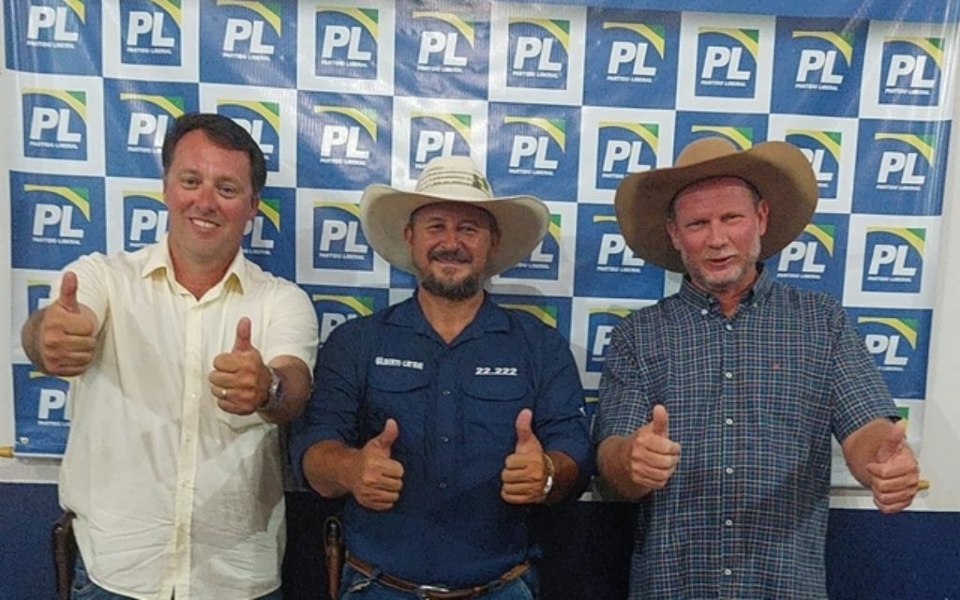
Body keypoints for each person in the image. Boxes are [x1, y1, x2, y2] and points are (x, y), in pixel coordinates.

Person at [594, 137, 921, 599]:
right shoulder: (638, 334)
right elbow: (612, 459)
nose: (717, 238)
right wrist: (632, 461)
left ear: (761, 218)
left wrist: (881, 466)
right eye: (697, 223)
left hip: (786, 587)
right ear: (674, 234)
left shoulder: (821, 321)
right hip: (672, 587)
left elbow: (866, 427)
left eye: (731, 217)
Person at [21, 113, 319, 600]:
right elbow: (50, 331)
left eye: (227, 188)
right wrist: (48, 337)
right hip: (114, 576)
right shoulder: (101, 277)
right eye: (190, 181)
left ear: (252, 207)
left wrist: (267, 387)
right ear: (165, 188)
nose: (205, 201)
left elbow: (293, 387)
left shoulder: (281, 301)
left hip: (237, 580)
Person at [291, 155, 592, 599]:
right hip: (376, 586)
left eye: (469, 228)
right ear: (410, 237)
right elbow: (313, 449)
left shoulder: (539, 344)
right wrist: (352, 469)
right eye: (436, 226)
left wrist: (547, 472)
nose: (451, 242)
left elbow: (575, 449)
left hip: (503, 587)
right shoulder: (356, 341)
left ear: (493, 241)